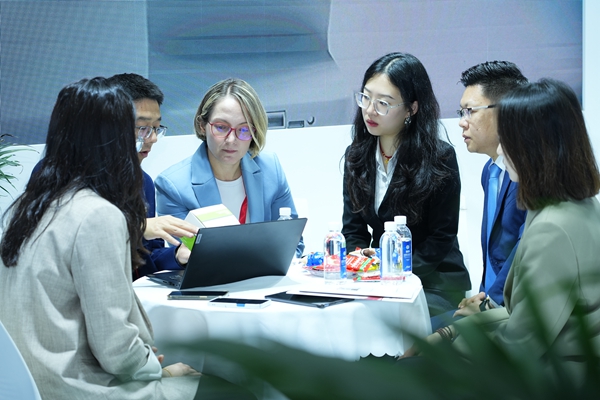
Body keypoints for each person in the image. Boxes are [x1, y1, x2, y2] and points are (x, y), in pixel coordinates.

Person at [0, 78, 201, 399]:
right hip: (81, 388)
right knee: (229, 385)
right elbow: (116, 348)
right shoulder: (98, 215)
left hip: (29, 384)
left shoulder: (24, 207)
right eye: (139, 129)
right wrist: (155, 369)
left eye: (154, 129)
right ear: (112, 138)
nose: (148, 139)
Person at [405, 79, 600, 386]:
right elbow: (520, 313)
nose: (499, 148)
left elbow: (519, 347)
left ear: (534, 147)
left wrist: (452, 344)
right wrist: (451, 331)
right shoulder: (574, 205)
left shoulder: (552, 229)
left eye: (507, 138)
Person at [30, 73, 199, 280]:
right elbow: (59, 244)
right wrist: (138, 228)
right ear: (110, 125)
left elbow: (147, 259)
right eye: (143, 128)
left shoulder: (142, 182)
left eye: (156, 128)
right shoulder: (56, 174)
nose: (153, 138)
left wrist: (177, 255)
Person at [342, 52, 470, 316]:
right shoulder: (356, 157)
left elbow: (441, 238)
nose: (370, 110)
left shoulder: (440, 158)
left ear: (411, 109)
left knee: (389, 321)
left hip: (433, 282)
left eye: (383, 103)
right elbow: (353, 230)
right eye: (366, 97)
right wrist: (362, 265)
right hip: (378, 283)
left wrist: (390, 272)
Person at [155, 78, 304, 257]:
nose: (231, 140)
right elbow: (185, 257)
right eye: (221, 127)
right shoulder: (173, 186)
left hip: (266, 273)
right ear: (202, 126)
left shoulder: (270, 169)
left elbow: (293, 244)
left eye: (244, 129)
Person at [434, 61, 528, 326]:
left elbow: (523, 251)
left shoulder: (528, 176)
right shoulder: (490, 171)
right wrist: (481, 297)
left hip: (514, 314)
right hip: (488, 304)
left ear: (505, 113)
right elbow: (495, 254)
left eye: (470, 111)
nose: (461, 123)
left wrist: (489, 304)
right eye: (461, 112)